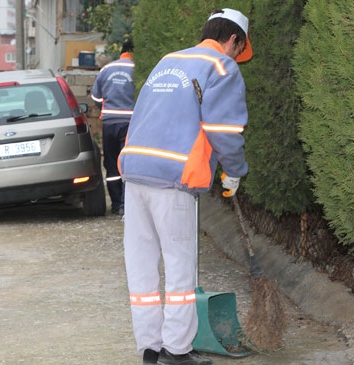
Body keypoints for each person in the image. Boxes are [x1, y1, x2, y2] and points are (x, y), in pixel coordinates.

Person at [118, 9, 251, 365]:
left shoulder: (168, 61)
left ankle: (149, 347)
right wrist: (235, 170)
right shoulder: (221, 66)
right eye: (239, 49)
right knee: (180, 269)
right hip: (173, 180)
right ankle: (176, 352)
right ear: (233, 40)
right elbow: (223, 131)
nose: (237, 56)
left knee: (142, 266)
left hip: (135, 171)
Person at [91, 38, 135, 215]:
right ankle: (127, 204)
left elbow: (96, 98)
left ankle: (116, 204)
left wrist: (107, 106)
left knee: (111, 163)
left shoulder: (106, 69)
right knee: (127, 163)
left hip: (109, 123)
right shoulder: (138, 70)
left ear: (121, 52)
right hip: (130, 124)